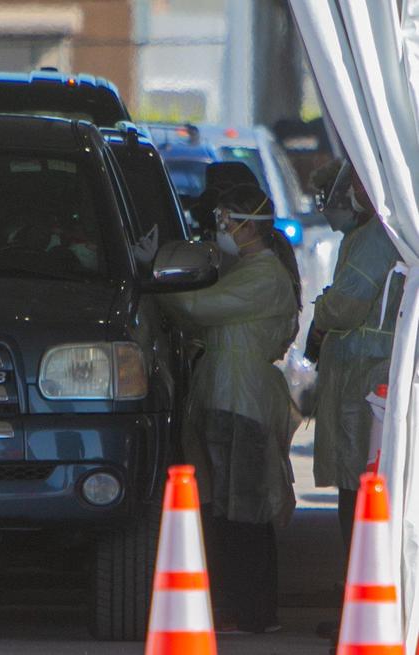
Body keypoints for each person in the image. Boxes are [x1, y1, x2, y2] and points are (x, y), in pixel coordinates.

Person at [159, 183, 299, 634]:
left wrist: (154, 278)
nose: (220, 229)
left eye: (225, 221)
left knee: (246, 511)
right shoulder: (246, 270)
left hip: (243, 402)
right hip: (226, 397)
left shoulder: (264, 276)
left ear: (248, 225)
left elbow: (201, 308)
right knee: (230, 508)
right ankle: (241, 608)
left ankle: (254, 613)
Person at [309, 161, 404, 554]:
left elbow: (345, 304)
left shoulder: (375, 239)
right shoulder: (374, 235)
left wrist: (321, 311)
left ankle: (358, 587)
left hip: (365, 376)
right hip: (364, 372)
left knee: (358, 480)